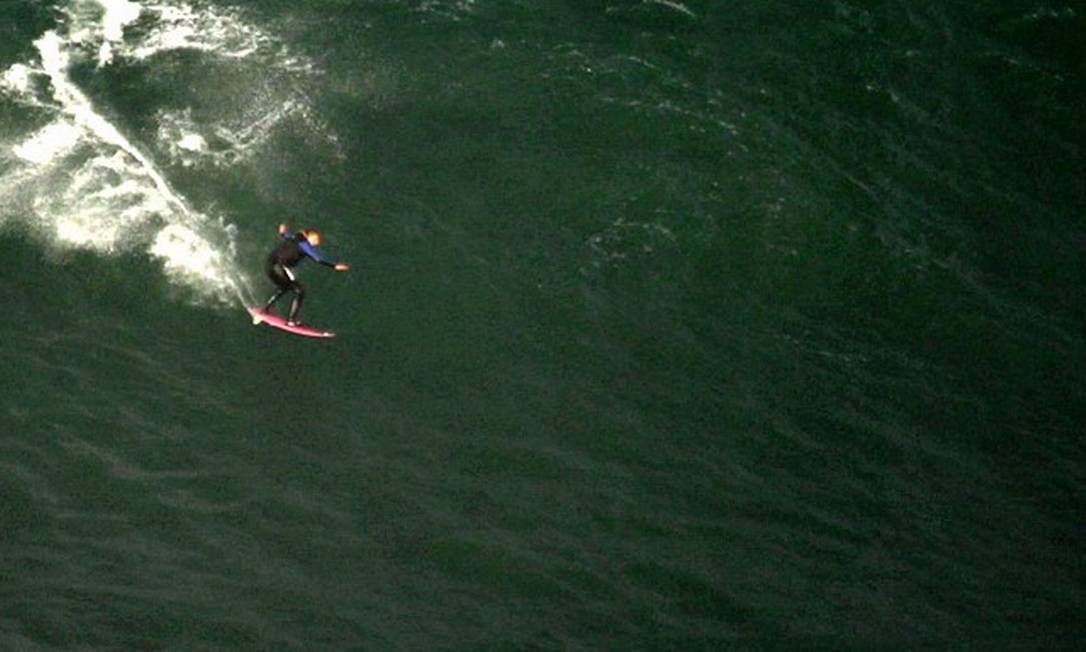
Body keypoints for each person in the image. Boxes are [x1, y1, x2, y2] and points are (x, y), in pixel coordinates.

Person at [261, 223, 349, 325]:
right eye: (315, 239)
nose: (317, 242)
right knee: (299, 291)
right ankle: (290, 320)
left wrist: (282, 232)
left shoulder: (295, 237)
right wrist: (334, 266)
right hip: (279, 267)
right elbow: (318, 258)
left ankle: (266, 309)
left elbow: (286, 235)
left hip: (270, 265)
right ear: (309, 236)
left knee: (285, 286)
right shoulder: (304, 244)